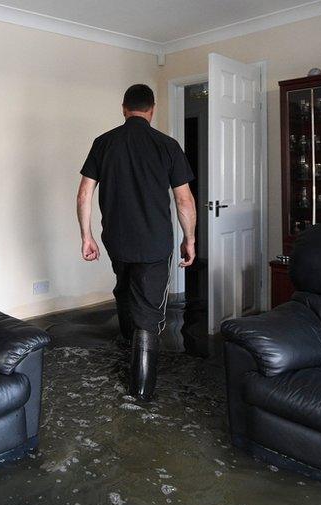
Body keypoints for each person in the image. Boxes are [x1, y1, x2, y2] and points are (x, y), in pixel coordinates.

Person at [76, 83, 197, 401]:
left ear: (124, 107)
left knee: (125, 290)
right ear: (152, 109)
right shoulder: (167, 145)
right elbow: (184, 201)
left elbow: (84, 193)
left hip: (116, 240)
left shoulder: (104, 143)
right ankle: (141, 390)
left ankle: (128, 353)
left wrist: (86, 235)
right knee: (149, 309)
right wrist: (191, 239)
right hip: (155, 244)